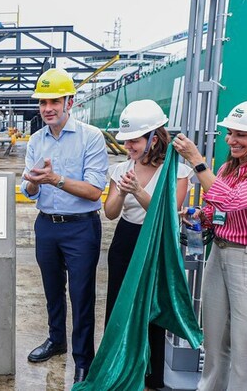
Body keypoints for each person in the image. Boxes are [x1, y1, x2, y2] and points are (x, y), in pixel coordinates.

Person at [172, 98, 247, 391]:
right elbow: (216, 210)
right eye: (230, 133)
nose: (232, 140)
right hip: (219, 254)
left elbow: (232, 202)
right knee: (215, 342)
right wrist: (199, 216)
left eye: (241, 135)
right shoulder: (228, 170)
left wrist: (196, 160)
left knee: (245, 349)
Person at [20, 68, 109, 384]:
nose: (47, 109)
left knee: (82, 295)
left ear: (69, 102)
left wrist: (55, 179)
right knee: (52, 290)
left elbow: (94, 191)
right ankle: (56, 340)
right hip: (47, 226)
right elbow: (27, 189)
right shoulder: (36, 140)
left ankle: (84, 358)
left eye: (54, 101)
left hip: (81, 228)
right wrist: (33, 183)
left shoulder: (91, 138)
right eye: (43, 102)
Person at [102, 99, 192, 391]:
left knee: (153, 308)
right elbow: (111, 212)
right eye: (126, 142)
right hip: (126, 240)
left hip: (156, 243)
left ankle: (152, 379)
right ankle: (115, 369)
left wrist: (138, 191)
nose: (129, 147)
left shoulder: (176, 171)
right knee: (119, 304)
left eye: (134, 141)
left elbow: (165, 216)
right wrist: (122, 192)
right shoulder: (120, 170)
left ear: (155, 137)